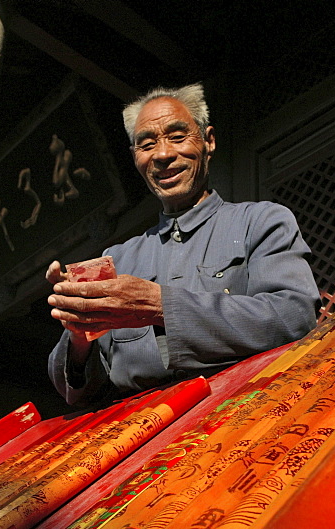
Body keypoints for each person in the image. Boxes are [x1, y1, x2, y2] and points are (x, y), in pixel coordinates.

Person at [48, 83, 320, 404]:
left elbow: (294, 316)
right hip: (141, 423)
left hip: (246, 404)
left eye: (178, 137)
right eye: (146, 144)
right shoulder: (117, 258)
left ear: (209, 141)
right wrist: (80, 335)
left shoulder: (260, 221)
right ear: (136, 158)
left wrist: (160, 304)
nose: (163, 155)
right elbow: (79, 390)